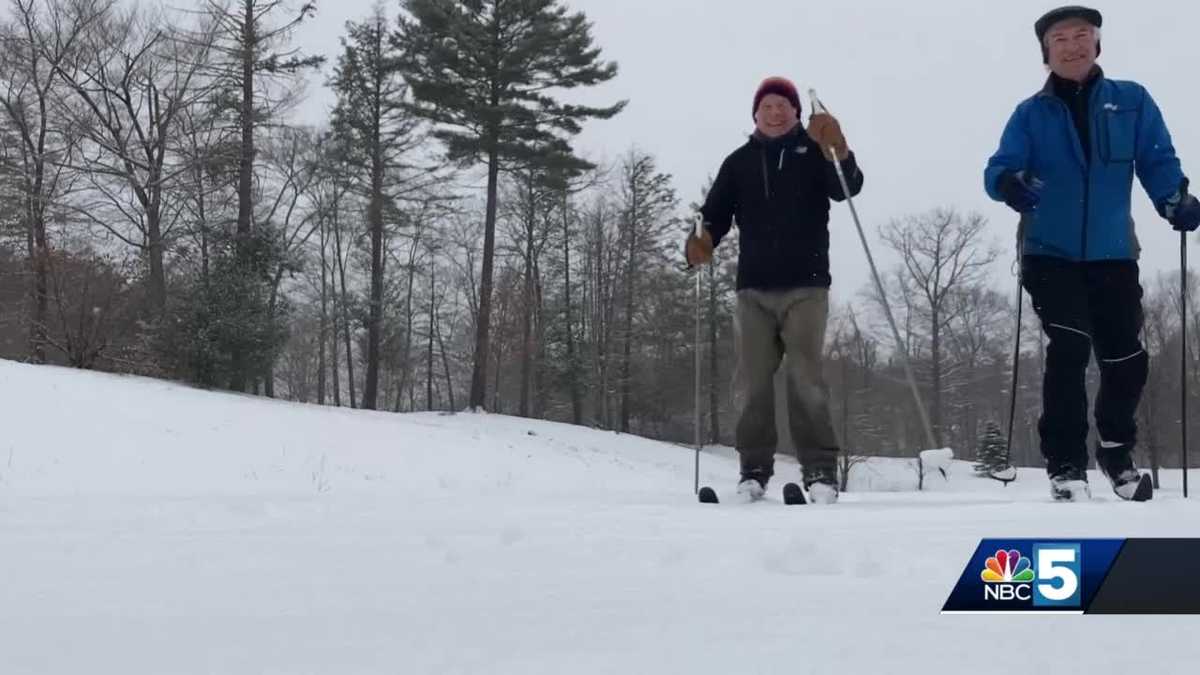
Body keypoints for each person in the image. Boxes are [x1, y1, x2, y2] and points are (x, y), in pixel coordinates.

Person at [984, 6, 1200, 501]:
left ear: (1097, 45)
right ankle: (1065, 464)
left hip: (1113, 252)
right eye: (1061, 38)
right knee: (1070, 346)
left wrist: (1174, 200)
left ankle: (1116, 450)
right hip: (1048, 251)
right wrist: (1011, 184)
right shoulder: (1030, 114)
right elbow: (998, 168)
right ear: (1046, 53)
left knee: (1127, 358)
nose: (1073, 45)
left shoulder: (1132, 102)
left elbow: (1157, 159)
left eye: (1083, 35)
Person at [685, 76, 863, 503]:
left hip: (807, 284)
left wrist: (838, 147)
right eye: (767, 106)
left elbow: (847, 188)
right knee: (751, 382)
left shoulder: (816, 151)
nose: (776, 111)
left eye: (783, 105)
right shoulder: (739, 162)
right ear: (755, 114)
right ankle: (753, 471)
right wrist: (700, 241)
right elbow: (714, 215)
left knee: (806, 379)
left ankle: (820, 473)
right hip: (754, 290)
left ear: (797, 112)